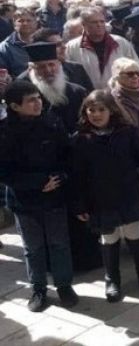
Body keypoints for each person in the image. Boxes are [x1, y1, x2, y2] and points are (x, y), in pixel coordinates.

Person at [72, 90, 139, 302]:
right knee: (109, 237)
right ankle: (112, 278)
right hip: (100, 198)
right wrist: (79, 204)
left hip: (127, 193)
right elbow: (77, 175)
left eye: (101, 109)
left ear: (111, 110)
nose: (96, 114)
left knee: (134, 233)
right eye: (91, 110)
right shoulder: (81, 139)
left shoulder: (127, 133)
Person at [0, 81, 79, 312]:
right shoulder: (4, 132)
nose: (38, 103)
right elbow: (4, 172)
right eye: (31, 100)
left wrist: (61, 177)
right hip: (24, 200)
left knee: (59, 243)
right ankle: (38, 288)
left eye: (38, 98)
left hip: (54, 194)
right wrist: (36, 183)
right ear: (15, 106)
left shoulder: (51, 122)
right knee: (33, 247)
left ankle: (64, 285)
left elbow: (67, 155)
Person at [65, 7, 138, 90]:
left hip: (118, 94)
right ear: (84, 25)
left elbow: (137, 67)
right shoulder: (72, 47)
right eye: (94, 22)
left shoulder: (121, 43)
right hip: (88, 95)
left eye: (102, 21)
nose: (99, 25)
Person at [0, 8, 38, 77]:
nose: (25, 23)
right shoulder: (5, 47)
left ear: (35, 23)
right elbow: (4, 76)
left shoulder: (45, 40)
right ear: (14, 24)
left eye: (29, 20)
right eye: (21, 21)